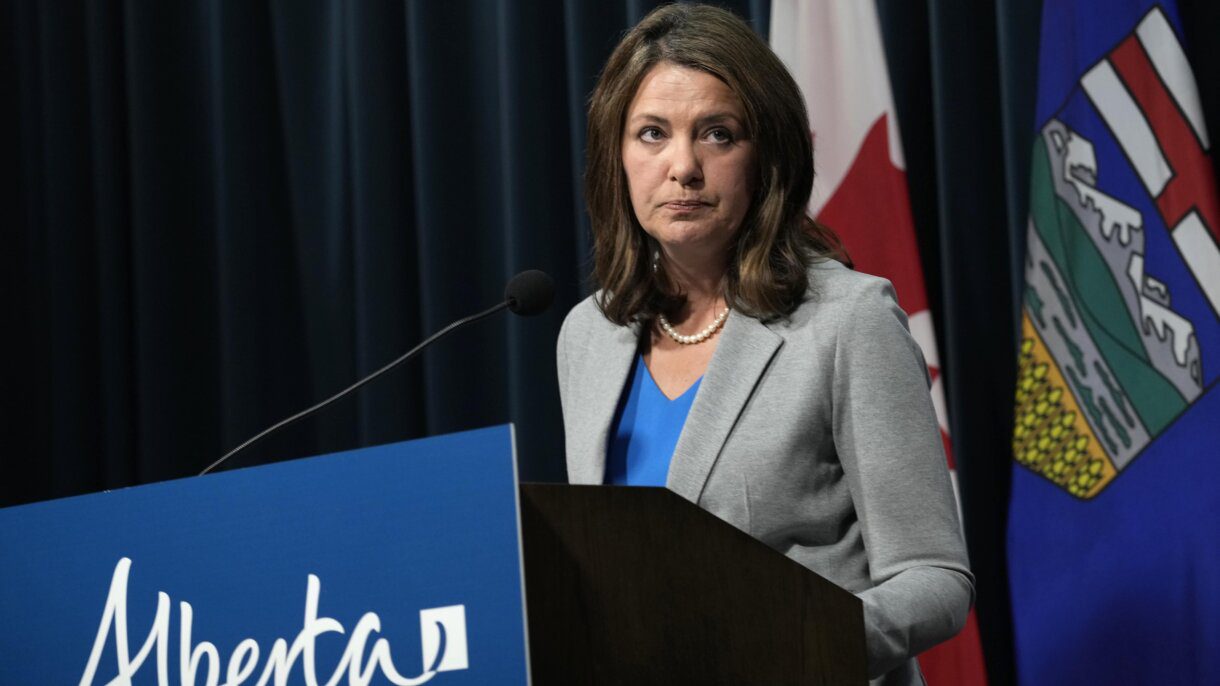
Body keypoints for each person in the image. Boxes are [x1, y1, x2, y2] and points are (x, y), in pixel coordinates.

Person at [555, 4, 973, 685]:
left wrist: (790, 643)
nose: (683, 167)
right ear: (616, 156)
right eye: (652, 134)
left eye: (718, 134)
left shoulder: (847, 320)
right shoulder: (589, 335)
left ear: (766, 157)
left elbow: (934, 579)